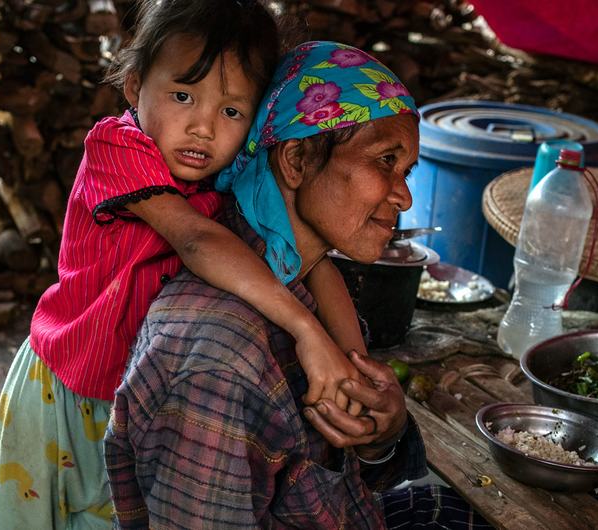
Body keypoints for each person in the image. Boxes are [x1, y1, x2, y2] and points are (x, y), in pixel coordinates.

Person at [0, 2, 374, 528]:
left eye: (232, 111)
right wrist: (306, 330)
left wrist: (351, 371)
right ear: (135, 86)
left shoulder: (235, 173)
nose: (203, 128)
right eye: (183, 96)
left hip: (144, 398)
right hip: (70, 388)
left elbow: (317, 266)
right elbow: (195, 238)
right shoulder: (117, 148)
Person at [105, 41, 493, 529]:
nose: (405, 195)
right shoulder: (219, 362)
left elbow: (348, 484)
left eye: (407, 170)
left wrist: (382, 438)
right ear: (296, 159)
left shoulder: (305, 281)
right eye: (384, 160)